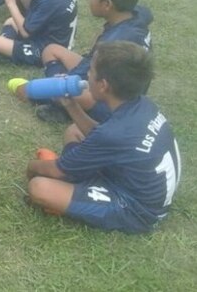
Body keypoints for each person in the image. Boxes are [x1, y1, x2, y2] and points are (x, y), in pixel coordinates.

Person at [26, 41, 181, 233]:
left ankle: (67, 198)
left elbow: (59, 170)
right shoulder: (142, 104)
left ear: (103, 85)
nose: (87, 75)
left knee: (39, 187)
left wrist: (31, 167)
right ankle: (76, 185)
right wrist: (71, 105)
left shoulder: (113, 133)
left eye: (90, 71)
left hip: (137, 209)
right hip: (132, 179)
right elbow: (105, 138)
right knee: (74, 129)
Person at [10, 0, 153, 123]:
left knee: (67, 91)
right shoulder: (136, 14)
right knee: (51, 50)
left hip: (112, 102)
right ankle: (58, 94)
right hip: (111, 77)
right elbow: (147, 13)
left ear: (107, 4)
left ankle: (58, 105)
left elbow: (86, 73)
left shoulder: (111, 45)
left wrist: (50, 86)